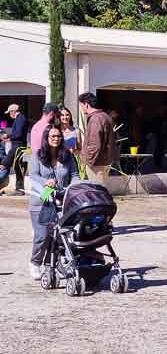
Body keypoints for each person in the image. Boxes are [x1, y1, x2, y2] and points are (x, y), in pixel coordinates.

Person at [27, 125, 80, 279]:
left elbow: (75, 174)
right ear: (46, 138)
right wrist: (46, 182)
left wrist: (74, 187)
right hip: (41, 200)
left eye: (58, 136)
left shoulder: (68, 156)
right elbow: (33, 175)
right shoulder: (37, 155)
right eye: (53, 136)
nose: (56, 139)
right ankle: (35, 262)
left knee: (58, 237)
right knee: (42, 236)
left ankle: (53, 264)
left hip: (61, 200)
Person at [79, 92, 117, 183]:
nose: (81, 108)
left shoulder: (96, 119)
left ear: (86, 104)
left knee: (97, 191)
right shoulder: (105, 116)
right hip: (104, 161)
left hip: (97, 164)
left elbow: (95, 145)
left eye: (81, 105)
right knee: (101, 189)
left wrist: (89, 162)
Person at [5, 104, 27, 192]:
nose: (9, 115)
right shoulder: (19, 119)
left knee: (17, 166)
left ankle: (20, 189)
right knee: (17, 167)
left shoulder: (20, 119)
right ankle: (19, 188)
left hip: (18, 146)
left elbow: (18, 134)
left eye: (10, 113)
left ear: (13, 111)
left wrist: (8, 136)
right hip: (17, 145)